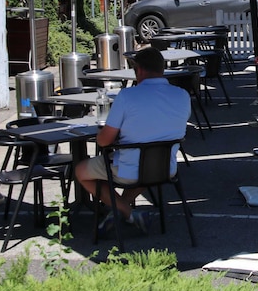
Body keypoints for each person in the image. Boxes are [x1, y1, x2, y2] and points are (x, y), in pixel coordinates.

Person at [75, 47, 191, 236]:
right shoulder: (182, 95)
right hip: (164, 168)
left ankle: (127, 211)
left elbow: (104, 141)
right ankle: (119, 211)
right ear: (162, 69)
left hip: (130, 170)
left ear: (139, 70)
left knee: (81, 171)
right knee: (144, 164)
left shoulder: (127, 96)